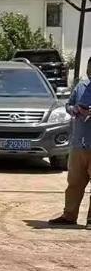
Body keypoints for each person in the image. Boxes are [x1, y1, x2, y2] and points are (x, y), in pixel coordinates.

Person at [49, 57, 91, 227]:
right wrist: (75, 110)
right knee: (74, 183)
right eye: (89, 67)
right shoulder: (81, 86)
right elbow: (69, 105)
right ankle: (69, 216)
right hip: (78, 144)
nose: (90, 71)